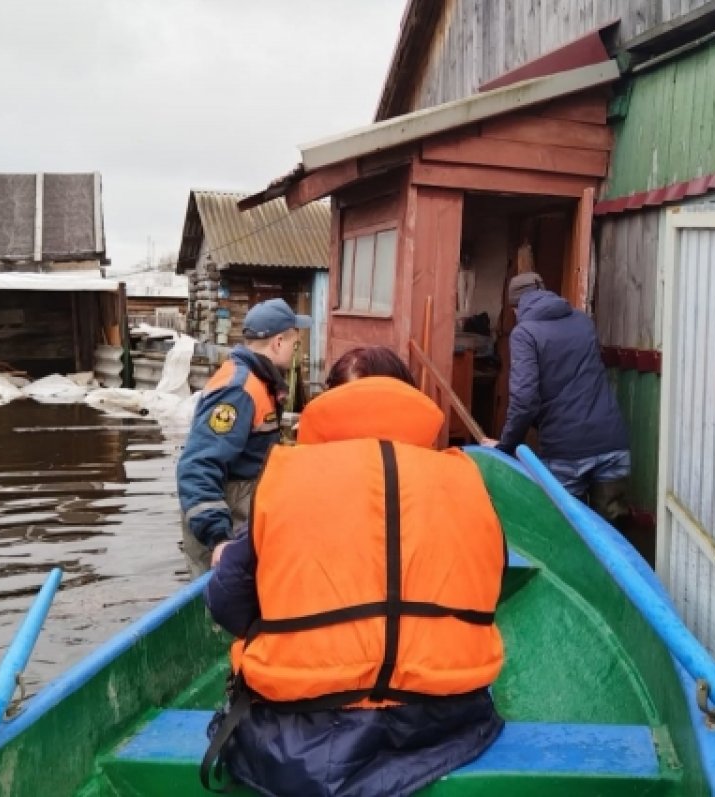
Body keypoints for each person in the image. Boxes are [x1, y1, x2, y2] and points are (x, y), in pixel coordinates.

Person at [202, 349, 506, 797]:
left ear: (328, 405)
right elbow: (489, 588)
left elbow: (228, 603)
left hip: (299, 732)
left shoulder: (286, 477)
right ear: (408, 398)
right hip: (445, 720)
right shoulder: (463, 477)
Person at [176, 298, 310, 576]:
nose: (298, 352)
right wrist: (219, 537)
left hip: (240, 514)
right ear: (278, 342)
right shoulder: (239, 390)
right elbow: (196, 466)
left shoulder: (260, 382)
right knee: (217, 608)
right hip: (221, 525)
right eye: (295, 345)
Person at [490, 272, 631, 521]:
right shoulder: (583, 321)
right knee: (611, 537)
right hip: (612, 443)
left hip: (566, 452)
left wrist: (505, 447)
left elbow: (524, 400)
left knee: (565, 531)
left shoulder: (525, 334)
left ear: (515, 308)